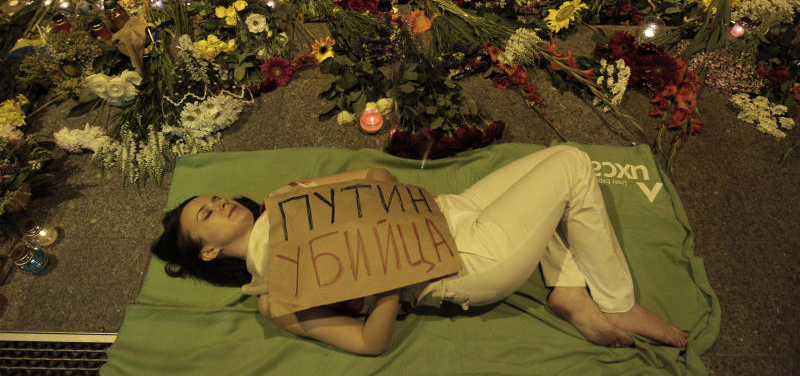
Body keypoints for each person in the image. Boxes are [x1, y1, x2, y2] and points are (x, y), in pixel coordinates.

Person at [151, 145, 689, 355]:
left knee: (553, 171)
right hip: (463, 263)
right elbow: (369, 343)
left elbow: (375, 175)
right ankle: (618, 302)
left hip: (450, 209)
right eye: (206, 215)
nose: (219, 203)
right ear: (207, 252)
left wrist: (387, 207)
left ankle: (569, 292)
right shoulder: (276, 298)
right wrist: (386, 280)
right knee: (571, 166)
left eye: (213, 199)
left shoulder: (284, 198)